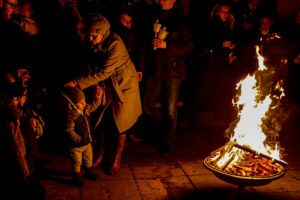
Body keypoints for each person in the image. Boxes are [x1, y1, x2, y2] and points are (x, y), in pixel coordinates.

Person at [64, 14, 142, 175]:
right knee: (101, 117)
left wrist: (77, 82)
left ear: (103, 32)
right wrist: (95, 87)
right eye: (89, 35)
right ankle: (100, 154)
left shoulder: (115, 44)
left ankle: (116, 157)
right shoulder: (90, 40)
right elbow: (91, 66)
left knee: (121, 119)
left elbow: (105, 71)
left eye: (94, 35)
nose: (90, 38)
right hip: (105, 81)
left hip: (123, 83)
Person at [141, 0, 194, 156]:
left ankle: (167, 141)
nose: (162, 0)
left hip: (173, 70)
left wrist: (167, 46)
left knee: (170, 109)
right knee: (147, 105)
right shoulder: (152, 16)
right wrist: (141, 68)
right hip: (154, 69)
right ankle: (163, 129)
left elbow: (189, 46)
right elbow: (144, 44)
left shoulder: (181, 20)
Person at [62, 86, 103, 187]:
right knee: (77, 162)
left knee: (88, 158)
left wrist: (97, 98)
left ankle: (88, 172)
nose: (84, 104)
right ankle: (76, 178)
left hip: (87, 142)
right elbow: (69, 131)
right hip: (76, 146)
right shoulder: (72, 117)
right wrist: (78, 139)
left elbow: (93, 106)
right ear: (73, 104)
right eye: (81, 102)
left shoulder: (85, 109)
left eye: (84, 101)